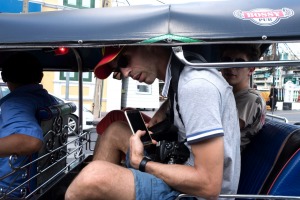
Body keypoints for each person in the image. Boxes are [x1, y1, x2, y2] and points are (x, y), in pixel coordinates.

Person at [65, 46, 240, 199]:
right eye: (119, 68)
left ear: (148, 45)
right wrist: (165, 107)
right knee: (115, 130)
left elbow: (208, 185)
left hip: (193, 194)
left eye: (124, 60)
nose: (125, 73)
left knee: (90, 178)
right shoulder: (182, 80)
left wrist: (142, 163)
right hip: (183, 167)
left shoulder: (196, 86)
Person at [0, 52, 58, 198]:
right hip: (39, 179)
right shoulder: (49, 100)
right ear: (40, 76)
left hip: (9, 188)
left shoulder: (15, 103)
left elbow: (30, 141)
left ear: (4, 77)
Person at [220, 44, 266, 152]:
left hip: (225, 161)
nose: (231, 67)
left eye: (239, 62)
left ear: (251, 69)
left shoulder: (251, 99)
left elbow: (221, 132)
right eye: (227, 60)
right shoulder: (229, 94)